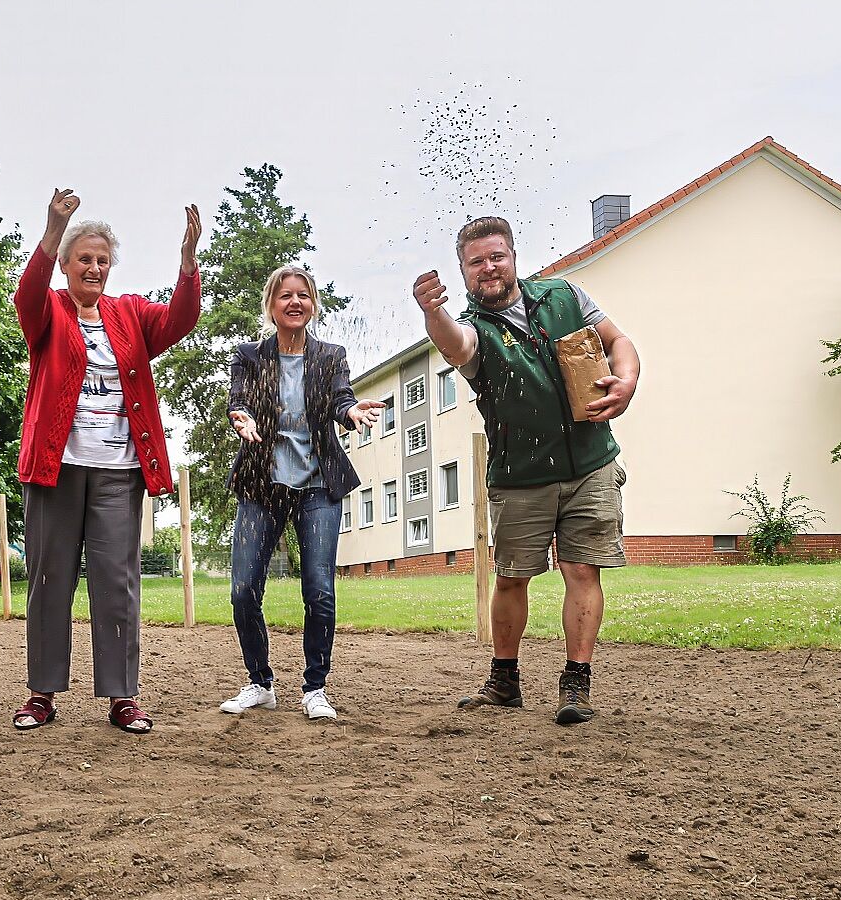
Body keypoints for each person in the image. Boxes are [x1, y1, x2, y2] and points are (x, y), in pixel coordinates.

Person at [412, 216, 640, 725]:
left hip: (591, 464)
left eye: (497, 257)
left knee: (583, 570)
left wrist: (625, 383)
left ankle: (576, 685)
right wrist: (432, 311)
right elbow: (454, 344)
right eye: (476, 263)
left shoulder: (563, 297)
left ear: (514, 257)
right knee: (512, 577)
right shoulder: (474, 328)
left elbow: (618, 341)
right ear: (464, 272)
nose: (488, 269)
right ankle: (504, 681)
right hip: (520, 474)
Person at [11, 188, 202, 734]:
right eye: (83, 259)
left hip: (119, 469)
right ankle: (42, 694)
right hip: (56, 467)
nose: (93, 268)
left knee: (117, 581)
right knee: (50, 578)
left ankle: (122, 697)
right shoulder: (48, 308)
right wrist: (52, 230)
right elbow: (26, 296)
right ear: (66, 265)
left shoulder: (130, 313)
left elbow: (180, 320)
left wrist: (188, 262)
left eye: (102, 260)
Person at [219, 265, 385, 721]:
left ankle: (315, 688)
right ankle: (260, 682)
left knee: (319, 590)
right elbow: (238, 400)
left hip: (317, 484)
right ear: (272, 305)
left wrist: (351, 414)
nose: (295, 302)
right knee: (243, 589)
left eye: (303, 296)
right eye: (285, 296)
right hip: (263, 484)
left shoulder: (330, 354)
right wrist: (242, 418)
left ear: (312, 305)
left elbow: (340, 398)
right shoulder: (250, 355)